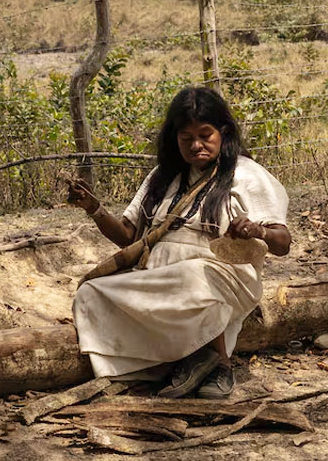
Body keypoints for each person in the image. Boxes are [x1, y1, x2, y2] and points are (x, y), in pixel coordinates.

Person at [68, 86, 291, 400]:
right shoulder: (164, 177)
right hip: (159, 279)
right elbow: (129, 237)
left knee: (194, 275)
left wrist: (258, 230)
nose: (196, 145)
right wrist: (94, 208)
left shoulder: (248, 175)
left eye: (205, 135)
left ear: (223, 133)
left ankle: (219, 364)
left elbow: (283, 243)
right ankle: (190, 362)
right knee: (90, 294)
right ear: (174, 140)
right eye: (186, 138)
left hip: (222, 277)